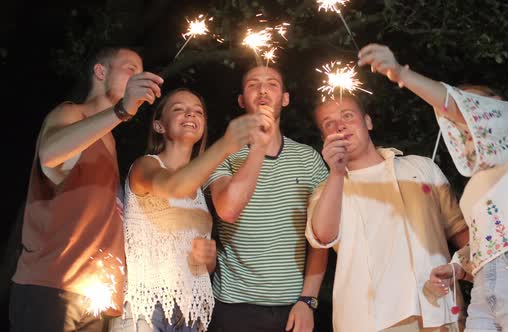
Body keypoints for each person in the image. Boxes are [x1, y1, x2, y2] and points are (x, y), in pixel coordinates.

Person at [357, 43, 508, 331]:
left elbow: (454, 105)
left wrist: (400, 73)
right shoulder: (478, 183)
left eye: (474, 107)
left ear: (495, 104)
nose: (466, 121)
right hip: (485, 283)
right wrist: (457, 267)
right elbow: (485, 237)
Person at [10, 46, 164, 331]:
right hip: (53, 286)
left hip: (95, 295)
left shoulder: (110, 142)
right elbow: (51, 154)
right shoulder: (70, 113)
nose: (138, 77)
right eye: (130, 69)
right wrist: (121, 111)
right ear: (100, 72)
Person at [305, 95, 469, 332]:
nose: (340, 125)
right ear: (325, 139)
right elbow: (323, 236)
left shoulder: (422, 168)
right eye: (329, 123)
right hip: (369, 322)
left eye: (348, 116)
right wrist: (337, 173)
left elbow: (462, 234)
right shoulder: (326, 191)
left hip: (440, 313)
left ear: (368, 122)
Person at [108, 88, 265, 332]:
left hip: (191, 314)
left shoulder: (201, 189)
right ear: (159, 125)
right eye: (179, 109)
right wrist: (225, 145)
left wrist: (209, 258)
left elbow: (203, 263)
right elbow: (173, 186)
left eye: (198, 111)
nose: (190, 114)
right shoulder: (145, 166)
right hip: (146, 310)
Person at [204, 65, 329, 332]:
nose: (262, 90)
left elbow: (320, 240)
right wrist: (258, 145)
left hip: (292, 308)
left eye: (272, 84)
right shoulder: (223, 153)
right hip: (233, 306)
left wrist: (308, 301)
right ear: (241, 100)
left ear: (285, 98)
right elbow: (227, 210)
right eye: (253, 84)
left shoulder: (309, 160)